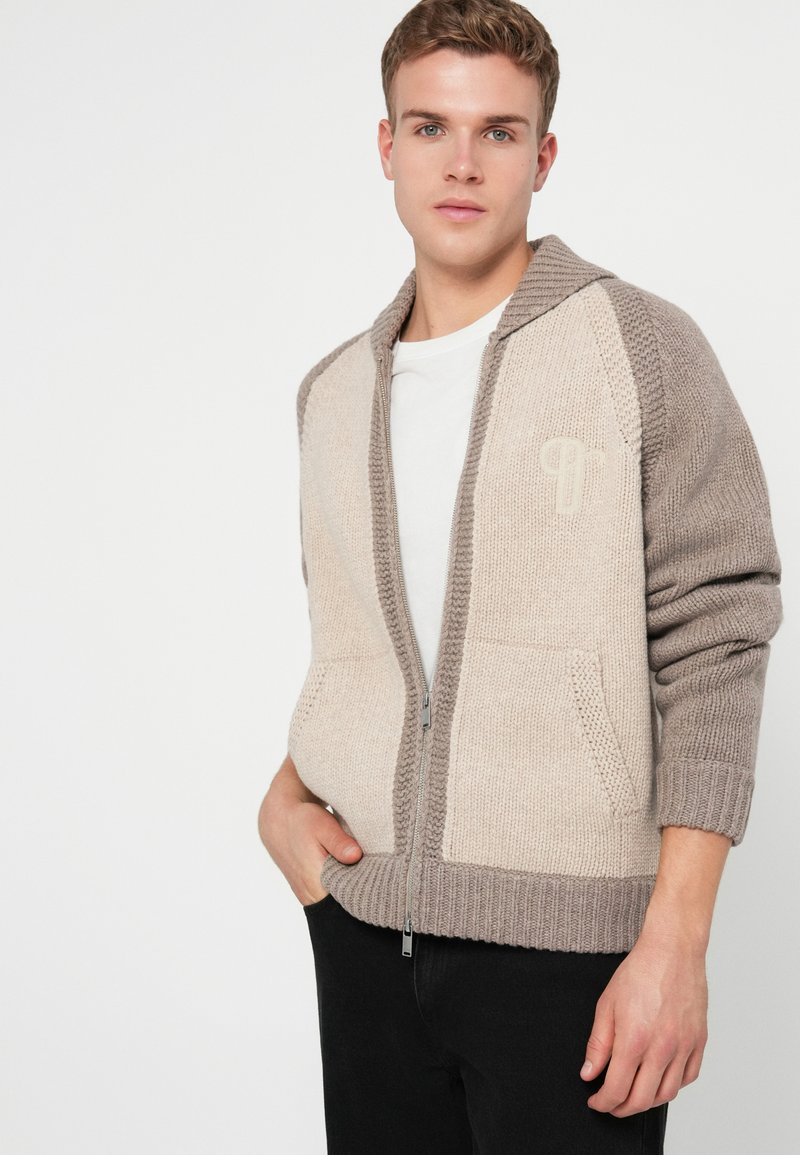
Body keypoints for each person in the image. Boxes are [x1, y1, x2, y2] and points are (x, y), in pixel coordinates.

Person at [258, 1, 783, 1151]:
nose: (461, 162)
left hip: (569, 956)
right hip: (361, 936)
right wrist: (283, 796)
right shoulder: (331, 393)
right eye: (429, 127)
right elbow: (368, 646)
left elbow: (716, 632)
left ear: (541, 156)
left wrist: (674, 940)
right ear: (384, 146)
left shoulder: (638, 346)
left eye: (497, 131)